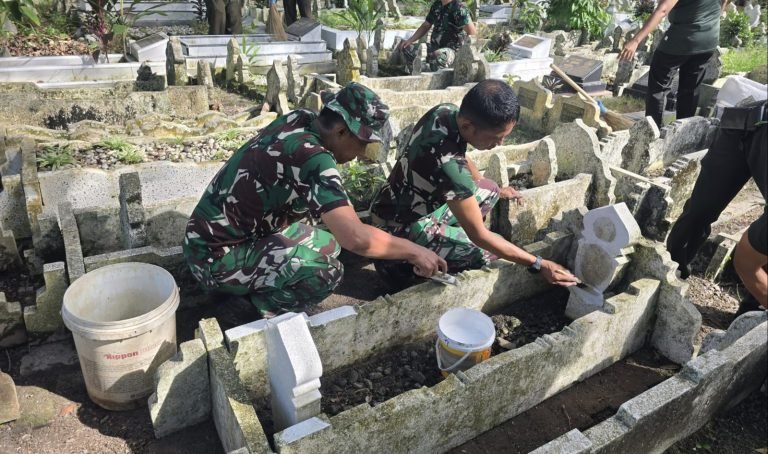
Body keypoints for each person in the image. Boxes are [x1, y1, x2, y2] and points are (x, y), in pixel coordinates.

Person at [183, 82, 447, 317]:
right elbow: (356, 238)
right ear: (342, 131)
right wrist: (416, 250)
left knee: (327, 244)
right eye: (362, 142)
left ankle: (246, 286)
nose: (362, 152)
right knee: (325, 273)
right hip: (215, 257)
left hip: (216, 237)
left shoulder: (302, 119)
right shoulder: (314, 158)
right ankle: (251, 311)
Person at [370, 79, 579, 290]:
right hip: (397, 231)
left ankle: (446, 236)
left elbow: (458, 155)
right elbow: (479, 235)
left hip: (396, 203)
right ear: (468, 126)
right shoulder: (450, 170)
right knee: (488, 252)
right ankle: (401, 267)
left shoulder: (445, 113)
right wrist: (539, 263)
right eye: (496, 138)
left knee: (489, 189)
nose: (499, 144)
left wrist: (490, 187)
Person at [666, 100, 767, 311]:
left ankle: (752, 310)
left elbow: (749, 259)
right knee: (700, 209)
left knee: (760, 249)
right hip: (746, 124)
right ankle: (672, 269)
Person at [619, 0, 729, 127]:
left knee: (658, 87)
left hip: (682, 38)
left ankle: (652, 132)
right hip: (709, 40)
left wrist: (635, 40)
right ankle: (685, 132)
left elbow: (663, 10)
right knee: (690, 89)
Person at [399, 0, 477, 72]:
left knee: (438, 55)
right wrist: (410, 41)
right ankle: (417, 74)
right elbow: (426, 25)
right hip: (434, 47)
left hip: (452, 51)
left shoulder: (458, 8)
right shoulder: (437, 5)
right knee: (407, 48)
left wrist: (465, 55)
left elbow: (472, 32)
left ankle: (433, 80)